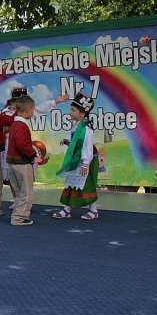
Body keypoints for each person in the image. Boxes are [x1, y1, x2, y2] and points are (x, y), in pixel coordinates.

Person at [52, 92, 100, 220]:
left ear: (82, 114)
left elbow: (87, 146)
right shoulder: (77, 125)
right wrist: (67, 141)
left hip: (86, 160)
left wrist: (85, 163)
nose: (70, 112)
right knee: (71, 182)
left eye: (73, 110)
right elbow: (75, 141)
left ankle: (94, 211)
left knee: (87, 184)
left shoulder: (86, 128)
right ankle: (67, 210)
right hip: (76, 159)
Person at [6, 95, 39, 226]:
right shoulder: (22, 126)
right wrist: (33, 154)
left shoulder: (14, 124)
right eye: (33, 110)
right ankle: (19, 218)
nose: (33, 112)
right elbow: (22, 144)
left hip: (11, 162)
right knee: (26, 193)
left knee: (19, 192)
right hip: (22, 163)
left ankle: (17, 214)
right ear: (28, 109)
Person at [1, 87, 28, 208]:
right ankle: (16, 199)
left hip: (20, 146)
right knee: (11, 175)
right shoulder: (3, 113)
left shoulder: (25, 112)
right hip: (7, 147)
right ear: (12, 102)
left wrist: (55, 102)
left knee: (22, 175)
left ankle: (24, 201)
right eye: (19, 101)